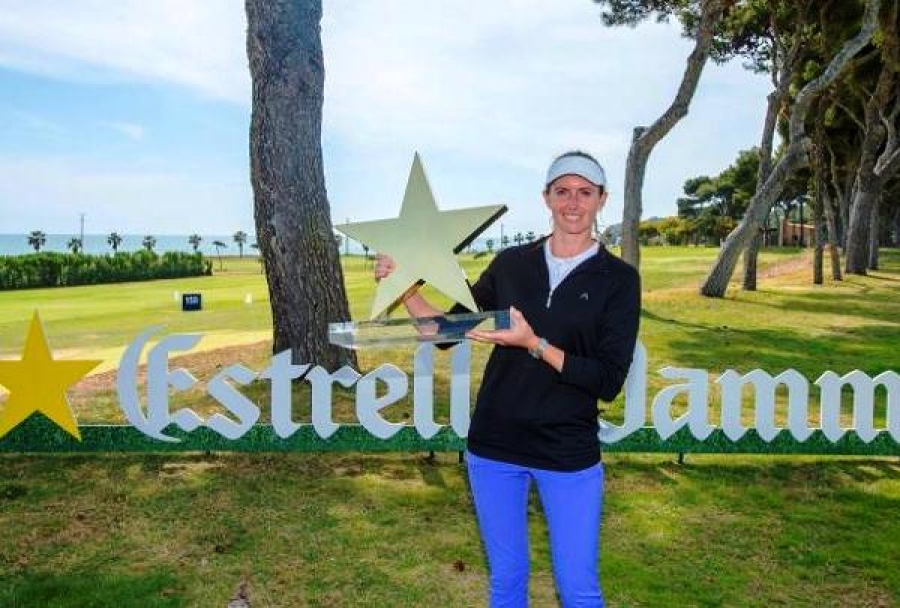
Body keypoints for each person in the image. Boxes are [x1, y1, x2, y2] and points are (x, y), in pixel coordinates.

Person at [375, 150, 641, 607]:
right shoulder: (512, 264)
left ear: (602, 200)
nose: (572, 203)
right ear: (546, 198)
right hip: (494, 448)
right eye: (562, 191)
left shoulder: (618, 279)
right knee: (507, 580)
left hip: (568, 453)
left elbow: (608, 380)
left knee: (578, 589)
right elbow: (445, 333)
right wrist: (404, 289)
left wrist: (533, 344)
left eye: (584, 193)